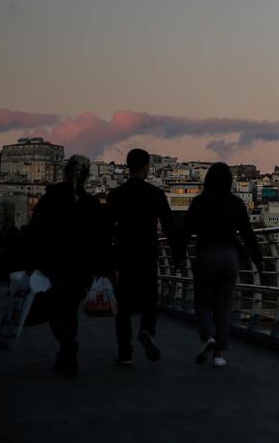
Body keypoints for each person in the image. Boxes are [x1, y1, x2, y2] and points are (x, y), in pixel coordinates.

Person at [177, 162, 263, 367]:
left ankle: (208, 336)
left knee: (203, 303)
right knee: (224, 307)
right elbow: (248, 234)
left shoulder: (199, 202)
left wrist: (178, 257)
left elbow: (184, 232)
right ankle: (219, 356)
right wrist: (258, 259)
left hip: (206, 254)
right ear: (230, 181)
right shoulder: (236, 203)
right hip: (230, 257)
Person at [27, 155, 103, 376]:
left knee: (57, 310)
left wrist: (32, 262)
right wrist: (104, 268)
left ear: (65, 172)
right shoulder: (91, 204)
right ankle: (66, 353)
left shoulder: (51, 199)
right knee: (70, 310)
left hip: (54, 265)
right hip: (82, 268)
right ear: (88, 176)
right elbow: (101, 239)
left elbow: (35, 231)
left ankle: (68, 346)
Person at [105, 149, 176, 365]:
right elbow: (169, 227)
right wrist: (179, 254)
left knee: (123, 305)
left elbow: (105, 230)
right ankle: (147, 330)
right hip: (149, 252)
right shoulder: (156, 194)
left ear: (128, 167)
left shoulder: (116, 195)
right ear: (145, 166)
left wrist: (106, 261)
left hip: (123, 253)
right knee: (149, 297)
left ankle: (125, 352)